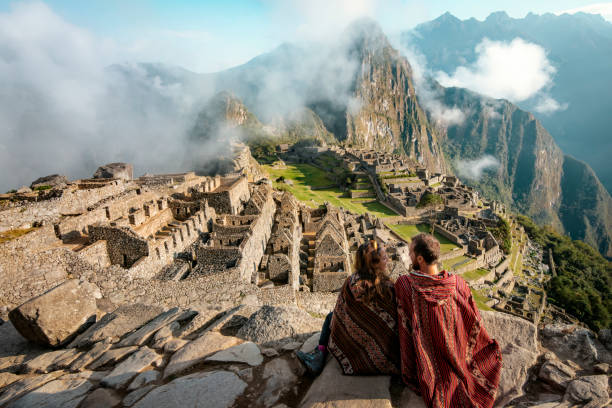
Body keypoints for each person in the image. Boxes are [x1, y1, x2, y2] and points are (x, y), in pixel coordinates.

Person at [395, 233, 502, 408]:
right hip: (460, 354)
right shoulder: (458, 284)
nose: (409, 256)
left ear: (420, 259)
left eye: (411, 253)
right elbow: (474, 320)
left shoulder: (406, 286)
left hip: (431, 368)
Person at [297, 239, 401, 376]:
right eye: (384, 257)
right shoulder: (389, 288)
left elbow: (341, 311)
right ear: (375, 263)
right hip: (385, 353)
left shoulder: (352, 282)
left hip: (353, 346)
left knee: (331, 317)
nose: (387, 259)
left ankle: (320, 353)